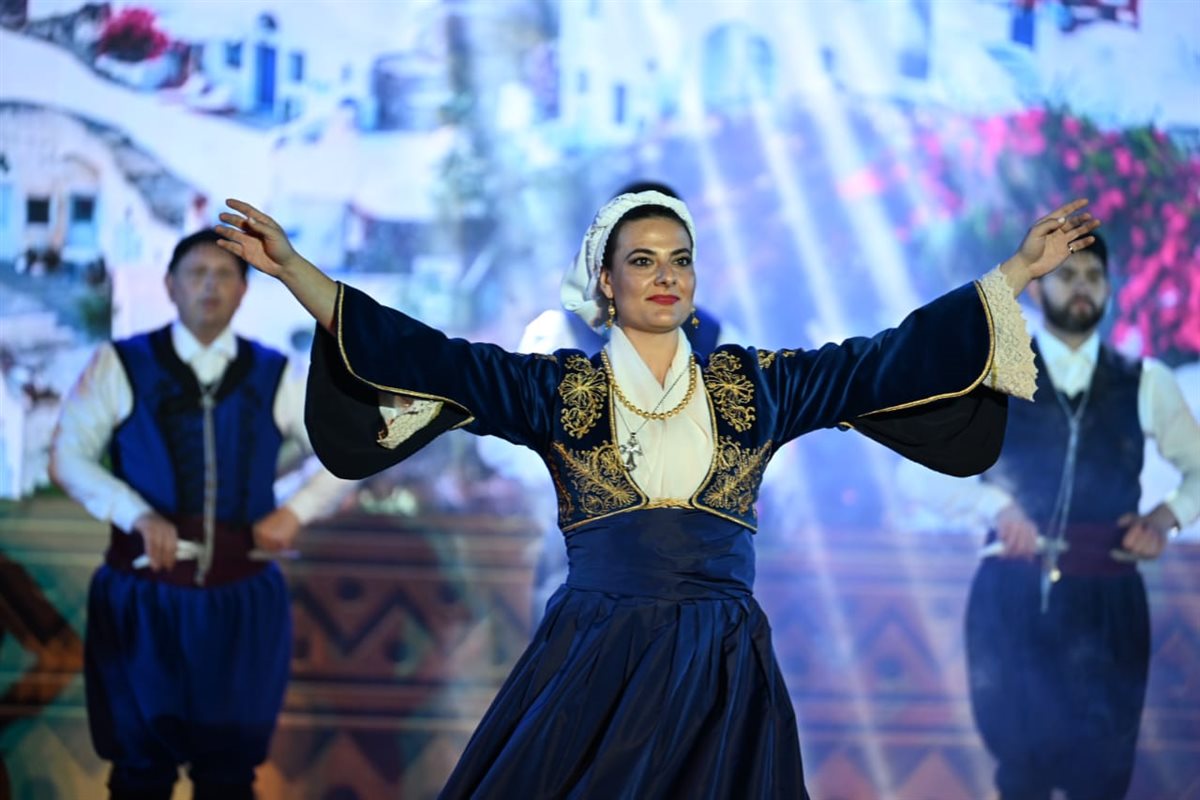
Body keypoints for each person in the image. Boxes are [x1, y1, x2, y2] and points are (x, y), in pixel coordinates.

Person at [214, 191, 1097, 799]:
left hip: (723, 665)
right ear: (607, 282)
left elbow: (884, 360)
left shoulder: (756, 386)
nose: (665, 274)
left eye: (680, 259)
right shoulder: (562, 390)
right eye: (642, 260)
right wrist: (298, 272)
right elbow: (430, 357)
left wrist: (1014, 274)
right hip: (597, 657)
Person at [48, 230, 361, 800]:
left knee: (229, 777)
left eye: (224, 274)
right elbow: (68, 457)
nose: (209, 286)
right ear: (170, 286)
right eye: (196, 273)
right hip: (143, 598)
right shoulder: (121, 364)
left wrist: (294, 513)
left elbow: (346, 454)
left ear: (244, 290)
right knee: (139, 774)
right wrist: (136, 515)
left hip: (241, 602)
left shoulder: (275, 373)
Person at [899, 233, 1200, 799]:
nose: (1082, 288)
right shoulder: (994, 376)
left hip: (1109, 599)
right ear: (1037, 291)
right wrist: (997, 505)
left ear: (1109, 289)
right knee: (1021, 776)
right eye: (1067, 275)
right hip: (1011, 595)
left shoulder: (1146, 382)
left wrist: (1165, 518)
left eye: (1093, 277)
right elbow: (915, 473)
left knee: (1102, 777)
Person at [475, 180, 735, 624]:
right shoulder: (559, 335)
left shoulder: (716, 341)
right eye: (642, 256)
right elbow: (505, 443)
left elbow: (755, 449)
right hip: (583, 561)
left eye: (676, 255)